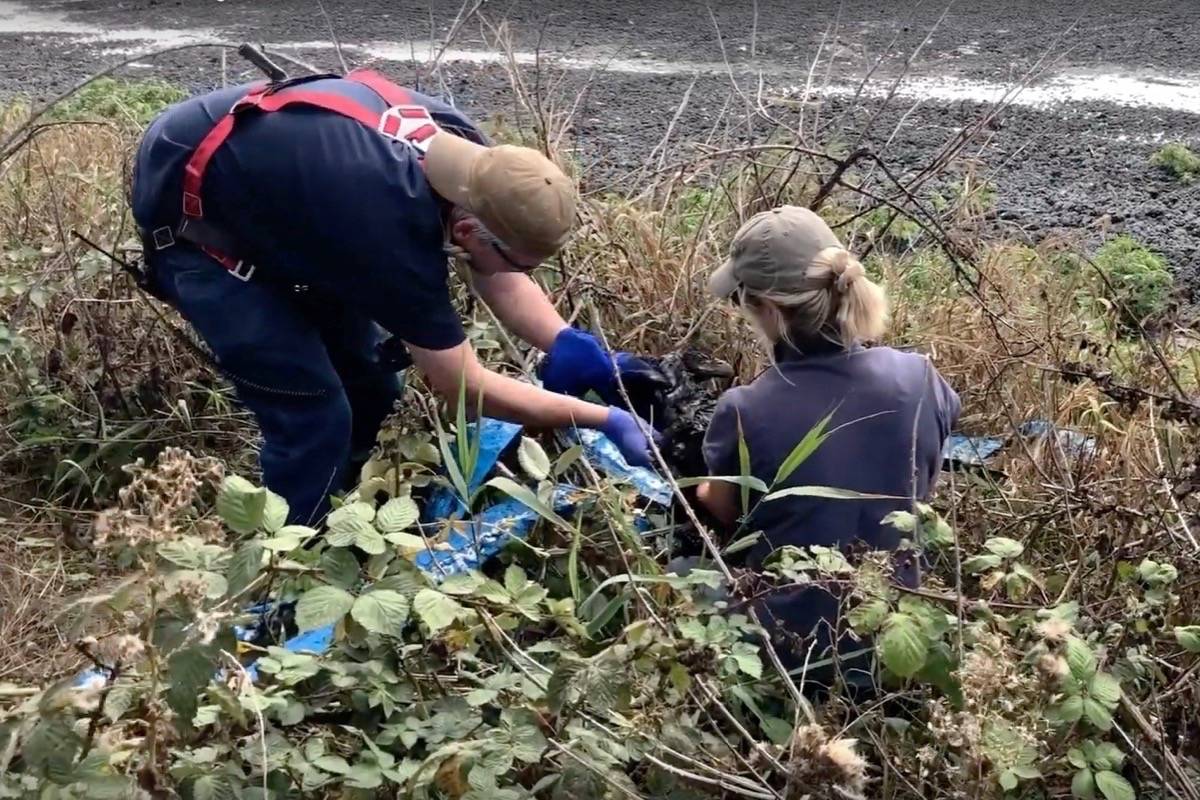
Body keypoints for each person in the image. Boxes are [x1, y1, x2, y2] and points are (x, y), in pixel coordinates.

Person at [130, 68, 653, 525]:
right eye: (524, 264)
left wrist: (566, 341)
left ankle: (346, 512)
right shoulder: (387, 224)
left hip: (290, 194)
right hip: (195, 222)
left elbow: (498, 267)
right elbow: (464, 388)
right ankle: (287, 563)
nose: (525, 275)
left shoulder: (476, 162)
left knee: (374, 385)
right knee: (315, 414)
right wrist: (603, 418)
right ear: (467, 230)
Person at [696, 205, 960, 689]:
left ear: (769, 311)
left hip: (795, 657)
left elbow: (723, 509)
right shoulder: (921, 377)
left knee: (685, 573)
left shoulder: (745, 408)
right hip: (898, 642)